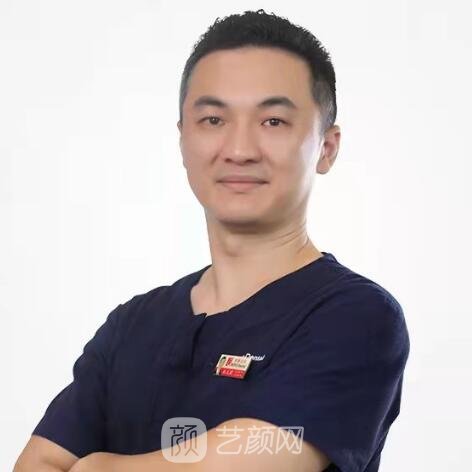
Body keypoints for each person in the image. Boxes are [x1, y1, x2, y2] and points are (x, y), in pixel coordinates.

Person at [14, 9, 410, 472]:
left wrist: (94, 466)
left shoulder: (355, 317)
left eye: (273, 121)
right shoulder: (133, 325)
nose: (239, 150)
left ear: (327, 147)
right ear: (183, 139)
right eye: (213, 119)